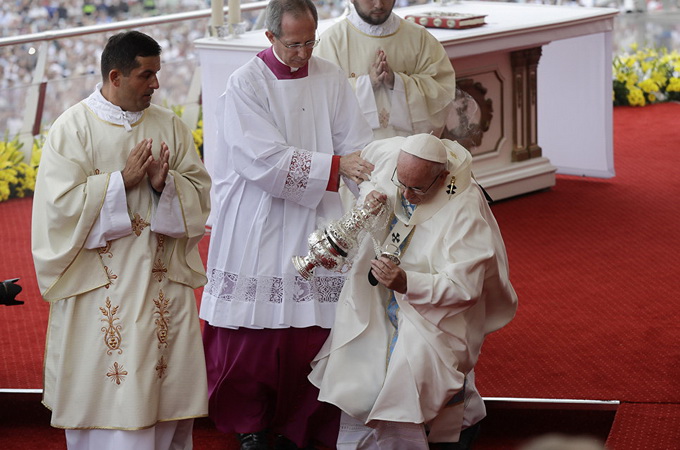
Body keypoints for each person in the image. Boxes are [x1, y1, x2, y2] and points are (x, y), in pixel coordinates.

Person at [198, 0, 374, 449]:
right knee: (254, 331)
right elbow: (260, 158)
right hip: (259, 215)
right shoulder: (245, 84)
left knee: (318, 326)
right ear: (270, 37)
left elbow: (355, 141)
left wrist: (364, 182)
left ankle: (309, 421)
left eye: (310, 42)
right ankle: (250, 422)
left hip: (320, 214)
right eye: (294, 44)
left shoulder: (330, 76)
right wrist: (335, 168)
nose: (303, 53)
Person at [31, 30, 211, 449]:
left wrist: (166, 186)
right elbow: (56, 212)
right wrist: (120, 182)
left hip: (160, 283)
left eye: (157, 74)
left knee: (163, 399)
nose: (156, 84)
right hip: (101, 289)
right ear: (116, 75)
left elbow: (200, 192)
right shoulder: (72, 129)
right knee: (109, 401)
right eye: (146, 75)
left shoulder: (170, 125)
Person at [308, 133, 518, 449]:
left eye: (416, 188)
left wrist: (407, 283)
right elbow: (367, 174)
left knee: (410, 372)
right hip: (380, 292)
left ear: (443, 178)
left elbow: (465, 287)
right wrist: (370, 199)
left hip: (435, 308)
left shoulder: (464, 207)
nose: (405, 194)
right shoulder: (390, 154)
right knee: (355, 356)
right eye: (401, 183)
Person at [314, 0, 457, 140]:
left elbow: (442, 90)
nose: (379, 4)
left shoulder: (419, 37)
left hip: (409, 150)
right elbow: (319, 100)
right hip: (355, 154)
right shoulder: (331, 41)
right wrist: (367, 84)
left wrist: (398, 82)